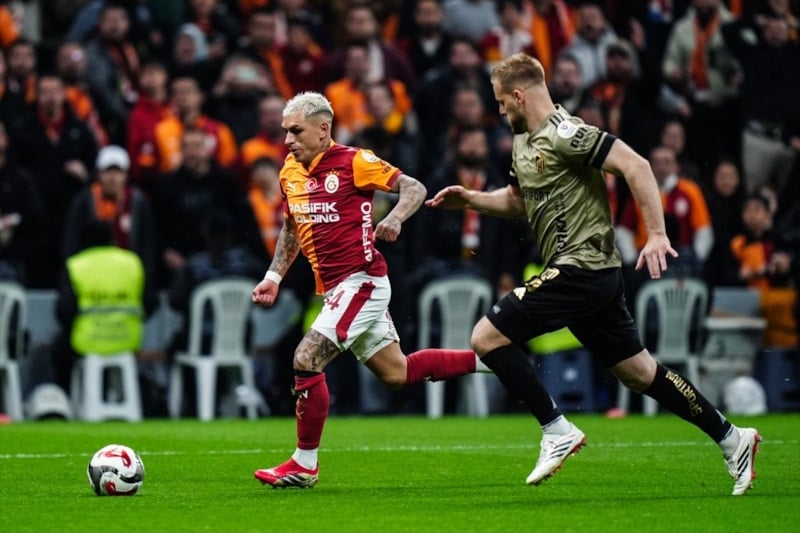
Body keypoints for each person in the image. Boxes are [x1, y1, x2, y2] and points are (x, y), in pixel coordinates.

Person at [425, 53, 760, 496]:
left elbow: (637, 166)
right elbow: (517, 201)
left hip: (581, 267)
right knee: (639, 373)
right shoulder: (523, 141)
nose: (500, 111)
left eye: (502, 102)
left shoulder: (568, 133)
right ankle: (733, 437)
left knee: (486, 337)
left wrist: (657, 235)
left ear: (520, 96)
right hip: (590, 277)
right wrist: (470, 199)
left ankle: (556, 429)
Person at [251, 92, 484, 488]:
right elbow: (291, 228)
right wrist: (274, 277)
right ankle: (491, 358)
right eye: (285, 131)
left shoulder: (355, 161)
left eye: (296, 131)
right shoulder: (289, 170)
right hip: (336, 289)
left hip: (362, 281)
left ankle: (304, 464)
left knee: (306, 358)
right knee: (397, 372)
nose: (287, 139)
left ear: (323, 129)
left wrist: (395, 218)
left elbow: (414, 187)